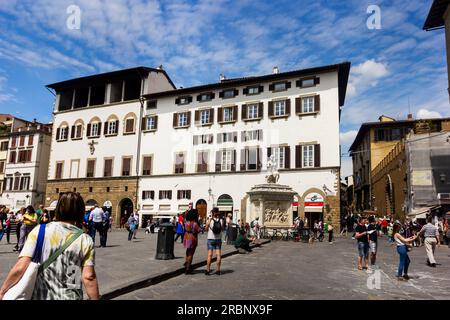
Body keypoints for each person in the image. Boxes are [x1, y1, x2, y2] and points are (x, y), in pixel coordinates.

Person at [0, 192, 99, 300]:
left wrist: (3, 290)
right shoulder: (85, 239)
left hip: (41, 295)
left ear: (58, 209)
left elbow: (21, 266)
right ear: (80, 211)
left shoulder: (40, 231)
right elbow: (89, 276)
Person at [205, 207, 224, 275]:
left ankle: (207, 270)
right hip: (218, 239)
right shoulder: (221, 220)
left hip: (210, 239)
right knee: (218, 254)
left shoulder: (209, 220)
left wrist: (208, 226)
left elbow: (206, 229)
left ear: (212, 213)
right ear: (218, 212)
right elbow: (222, 229)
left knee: (209, 255)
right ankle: (218, 270)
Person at [183, 209, 201, 274]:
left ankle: (186, 260)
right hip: (193, 237)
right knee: (191, 253)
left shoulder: (186, 222)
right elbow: (198, 230)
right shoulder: (195, 223)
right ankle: (188, 268)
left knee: (188, 250)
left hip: (187, 236)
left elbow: (184, 228)